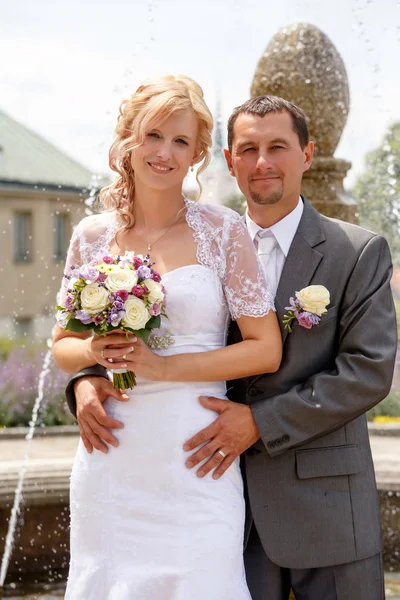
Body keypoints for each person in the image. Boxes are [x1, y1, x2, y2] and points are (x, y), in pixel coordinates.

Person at [66, 94, 398, 600]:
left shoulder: (357, 251)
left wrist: (262, 421)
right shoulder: (208, 233)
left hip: (323, 505)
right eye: (247, 149)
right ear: (227, 159)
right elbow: (124, 338)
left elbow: (367, 372)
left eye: (278, 147)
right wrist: (88, 378)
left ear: (307, 155)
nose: (262, 162)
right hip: (214, 490)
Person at [52, 76, 282, 599]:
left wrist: (162, 369)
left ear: (198, 153)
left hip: (197, 455)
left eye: (181, 141)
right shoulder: (92, 235)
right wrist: (92, 357)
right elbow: (63, 344)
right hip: (112, 454)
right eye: (154, 135)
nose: (165, 152)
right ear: (128, 139)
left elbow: (266, 349)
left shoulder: (224, 231)